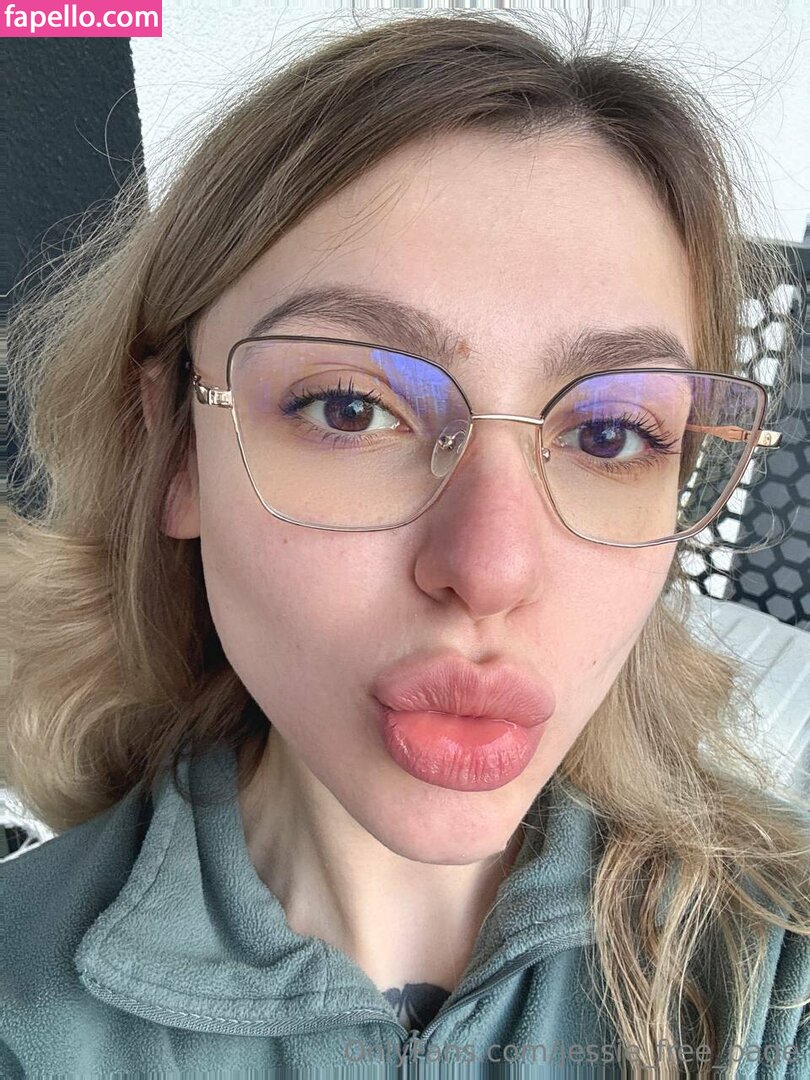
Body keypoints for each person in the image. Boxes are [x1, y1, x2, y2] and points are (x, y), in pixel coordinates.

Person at [2, 10, 808, 1077]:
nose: (491, 570)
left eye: (612, 433)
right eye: (350, 408)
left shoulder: (776, 985)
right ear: (177, 448)